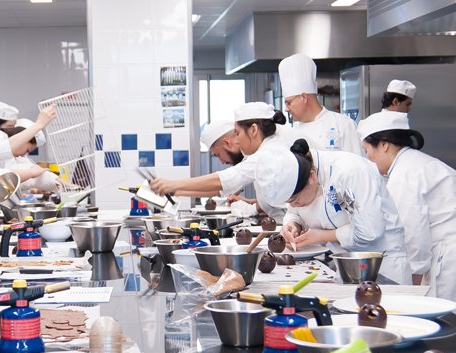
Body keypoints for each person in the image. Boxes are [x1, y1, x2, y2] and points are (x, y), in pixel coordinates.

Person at [276, 139, 411, 285]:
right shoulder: (300, 179)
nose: (295, 205)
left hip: (381, 265)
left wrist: (322, 236)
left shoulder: (349, 173)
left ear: (312, 176)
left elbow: (369, 232)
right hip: (344, 263)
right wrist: (292, 224)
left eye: (295, 200)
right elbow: (294, 211)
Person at [357, 111, 456, 300]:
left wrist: (413, 282)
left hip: (449, 254)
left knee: (446, 318)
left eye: (367, 150)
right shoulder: (413, 163)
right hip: (445, 249)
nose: (368, 158)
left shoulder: (404, 175)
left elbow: (413, 234)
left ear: (384, 145)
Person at [151, 103, 296, 222]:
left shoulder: (269, 152)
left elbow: (225, 180)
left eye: (238, 133)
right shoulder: (264, 149)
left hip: (290, 227)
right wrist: (177, 191)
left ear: (253, 130)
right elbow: (223, 187)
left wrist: (172, 184)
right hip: (283, 225)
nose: (237, 140)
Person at [278, 54, 363, 155]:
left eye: (289, 103)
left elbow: (359, 167)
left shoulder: (343, 125)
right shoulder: (292, 134)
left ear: (304, 98)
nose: (286, 109)